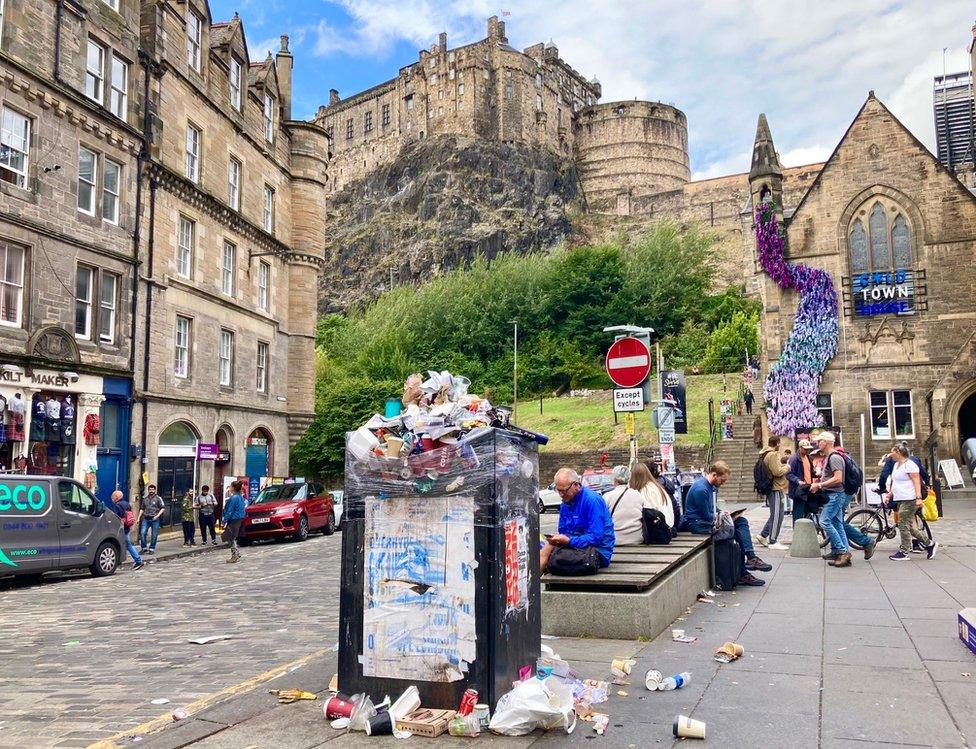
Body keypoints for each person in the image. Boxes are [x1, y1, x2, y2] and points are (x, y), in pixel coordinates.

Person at [679, 460, 771, 586]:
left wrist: (725, 514)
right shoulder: (701, 489)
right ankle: (746, 567)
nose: (723, 483)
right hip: (697, 524)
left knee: (741, 521)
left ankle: (750, 559)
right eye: (722, 480)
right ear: (714, 475)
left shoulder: (711, 487)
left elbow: (713, 509)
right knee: (734, 532)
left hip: (705, 521)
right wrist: (723, 517)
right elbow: (706, 516)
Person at [540, 468, 615, 575]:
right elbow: (563, 531)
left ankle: (531, 588)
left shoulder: (592, 500)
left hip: (597, 551)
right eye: (558, 490)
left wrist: (569, 541)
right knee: (547, 548)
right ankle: (532, 586)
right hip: (577, 548)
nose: (561, 495)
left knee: (548, 554)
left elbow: (597, 537)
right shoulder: (565, 503)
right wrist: (558, 539)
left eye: (564, 490)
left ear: (576, 485)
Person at [885, 444, 938, 561]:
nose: (890, 454)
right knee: (908, 526)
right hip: (900, 498)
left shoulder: (910, 465)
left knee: (903, 524)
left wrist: (918, 498)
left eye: (892, 452)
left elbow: (916, 482)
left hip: (910, 499)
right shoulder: (896, 465)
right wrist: (890, 494)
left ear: (898, 452)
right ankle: (929, 544)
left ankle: (904, 551)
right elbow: (896, 483)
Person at [810, 432, 852, 567]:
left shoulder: (834, 458)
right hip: (834, 494)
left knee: (824, 521)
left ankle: (842, 551)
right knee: (837, 523)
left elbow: (838, 478)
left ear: (826, 442)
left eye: (819, 441)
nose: (817, 443)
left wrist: (820, 484)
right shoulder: (831, 457)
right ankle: (844, 553)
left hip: (835, 495)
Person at [756, 436, 790, 550]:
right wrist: (787, 467)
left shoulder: (764, 453)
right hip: (775, 487)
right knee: (777, 515)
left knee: (776, 514)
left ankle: (763, 535)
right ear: (777, 444)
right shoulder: (772, 454)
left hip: (772, 487)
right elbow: (777, 472)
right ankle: (773, 540)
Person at [603, 465, 644, 546]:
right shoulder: (637, 494)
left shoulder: (607, 496)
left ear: (614, 479)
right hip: (636, 538)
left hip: (614, 539)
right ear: (629, 478)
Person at [630, 462, 674, 530]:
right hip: (668, 526)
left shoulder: (645, 491)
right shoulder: (657, 486)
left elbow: (646, 513)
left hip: (658, 529)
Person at [108, 490, 144, 570]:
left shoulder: (117, 506)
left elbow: (115, 518)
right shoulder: (126, 504)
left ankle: (138, 561)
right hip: (127, 527)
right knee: (125, 544)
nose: (111, 498)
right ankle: (119, 562)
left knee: (127, 545)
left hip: (120, 529)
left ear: (116, 497)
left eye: (112, 496)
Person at [787, 439, 815, 522]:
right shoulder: (794, 459)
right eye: (805, 449)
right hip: (799, 490)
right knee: (798, 513)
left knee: (808, 511)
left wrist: (816, 473)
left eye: (808, 449)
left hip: (808, 488)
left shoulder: (809, 457)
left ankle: (808, 532)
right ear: (800, 448)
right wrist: (798, 481)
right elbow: (788, 474)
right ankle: (797, 532)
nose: (807, 451)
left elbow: (810, 471)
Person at [222, 480, 247, 563]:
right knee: (231, 537)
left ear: (233, 488)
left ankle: (235, 554)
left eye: (230, 486)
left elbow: (230, 510)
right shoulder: (240, 497)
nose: (229, 488)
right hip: (239, 518)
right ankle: (236, 553)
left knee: (229, 537)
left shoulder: (234, 497)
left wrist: (225, 520)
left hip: (234, 519)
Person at [139, 484, 164, 555]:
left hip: (154, 519)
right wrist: (138, 518)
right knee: (142, 533)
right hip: (146, 518)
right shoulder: (145, 499)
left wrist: (157, 516)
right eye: (150, 489)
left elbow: (162, 508)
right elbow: (142, 509)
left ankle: (152, 548)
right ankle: (144, 548)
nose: (151, 491)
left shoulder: (158, 498)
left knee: (154, 535)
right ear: (148, 490)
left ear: (155, 490)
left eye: (153, 489)